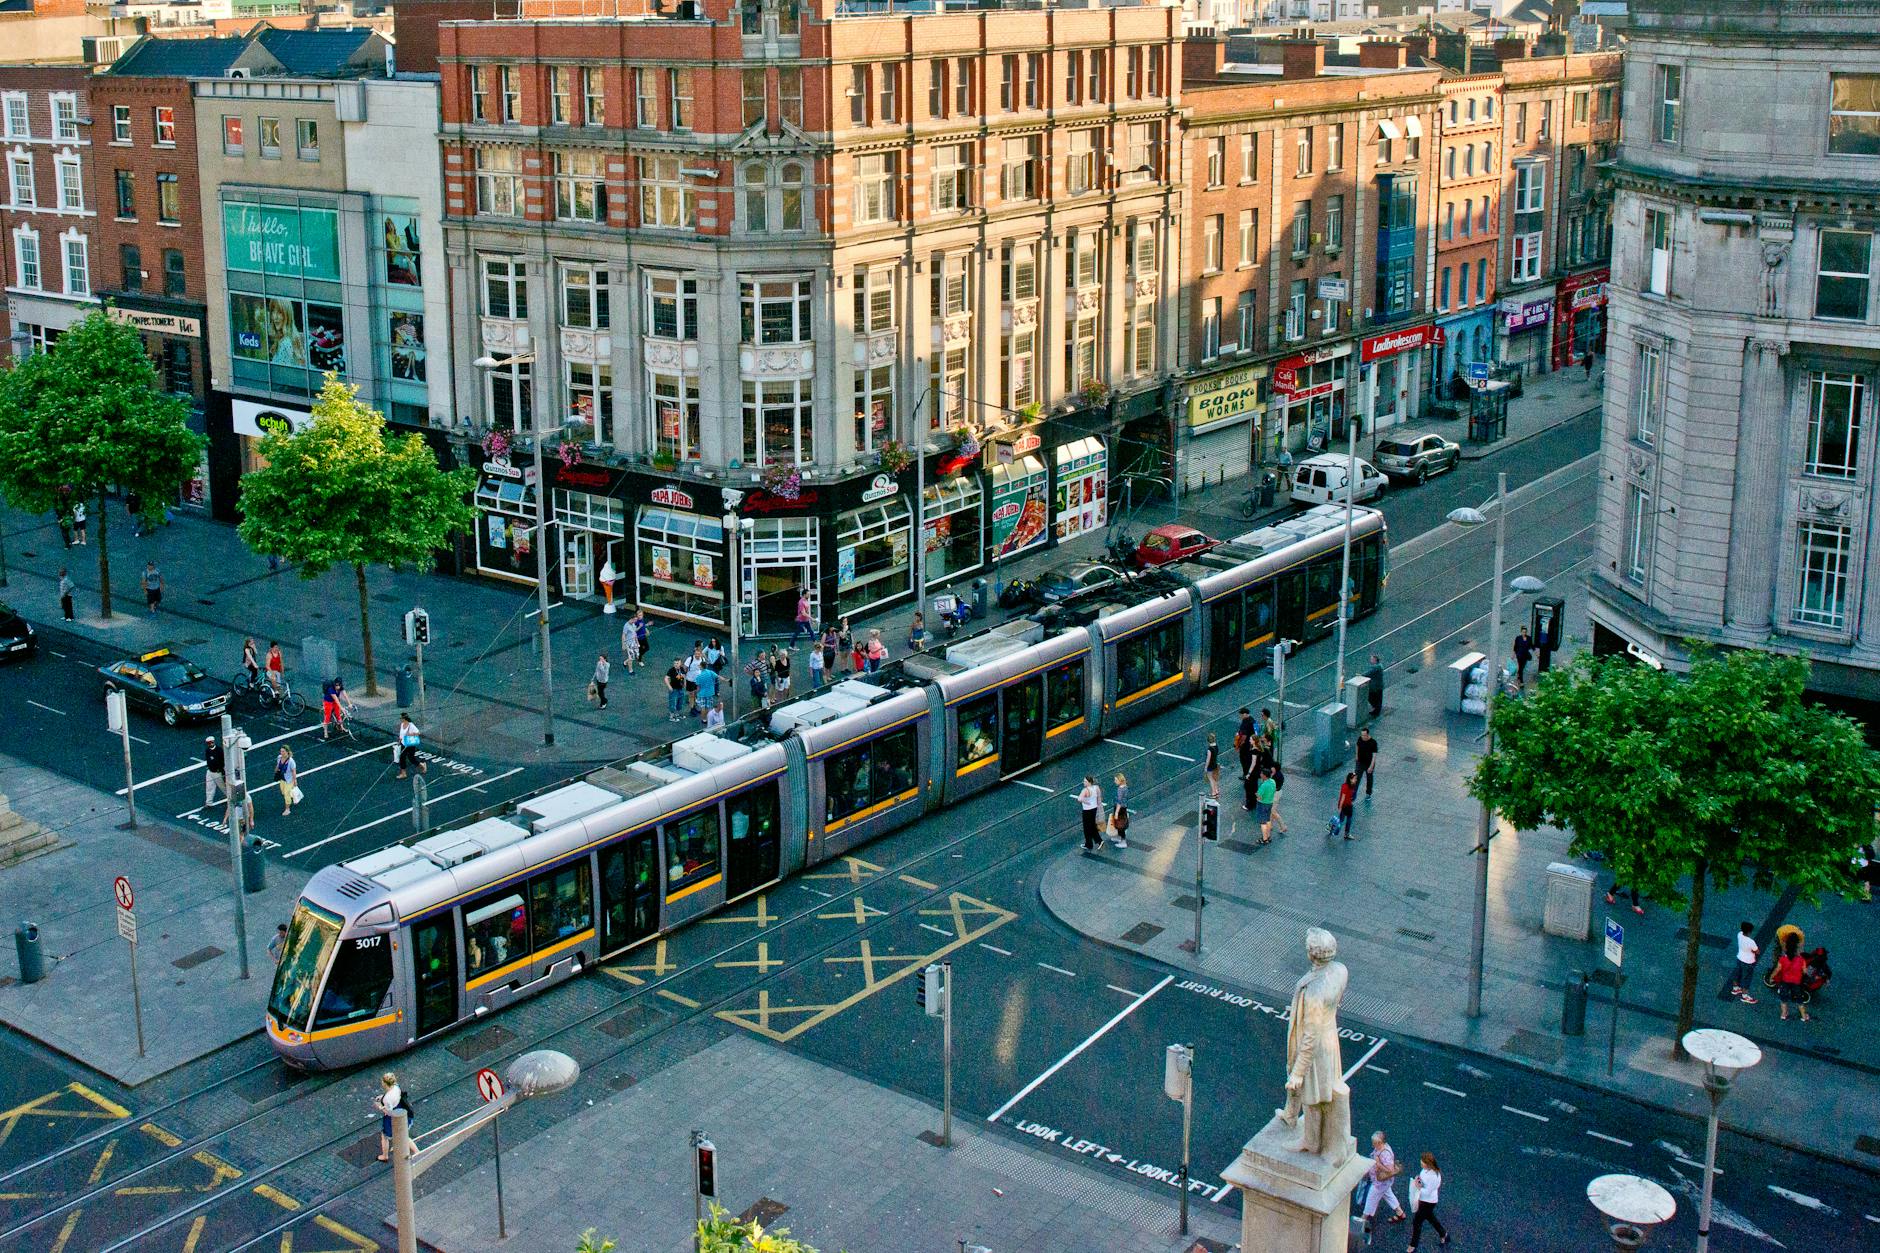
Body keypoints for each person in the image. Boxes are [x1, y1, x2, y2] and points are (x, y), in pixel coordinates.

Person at [1361, 1130, 1407, 1235]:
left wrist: (1377, 1163)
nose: (1372, 1144)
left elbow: (1390, 1170)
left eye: (1374, 1143)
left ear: (1380, 1143)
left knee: (1371, 1199)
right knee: (1388, 1195)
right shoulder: (1382, 1148)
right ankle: (1400, 1213)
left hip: (1380, 1183)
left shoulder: (1385, 1154)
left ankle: (1363, 1219)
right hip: (1383, 1182)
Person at [1407, 1152, 1447, 1249]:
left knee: (1417, 1222)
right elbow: (1423, 1180)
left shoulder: (1434, 1176)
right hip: (1424, 1200)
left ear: (1428, 1164)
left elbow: (1428, 1192)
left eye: (1422, 1162)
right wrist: (1419, 1180)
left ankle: (1413, 1245)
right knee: (1431, 1218)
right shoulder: (1425, 1170)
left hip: (1428, 1202)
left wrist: (1418, 1186)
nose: (1421, 1163)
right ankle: (1444, 1234)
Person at [1774, 930, 1810, 1023]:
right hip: (1796, 983)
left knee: (1783, 999)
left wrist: (1771, 977)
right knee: (1799, 1000)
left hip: (1785, 981)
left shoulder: (1783, 959)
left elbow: (1777, 969)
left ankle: (1783, 1014)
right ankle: (1803, 1016)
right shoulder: (1801, 960)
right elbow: (1805, 971)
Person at [374, 1072, 403, 1162]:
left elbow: (388, 1111)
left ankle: (384, 1156)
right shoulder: (396, 1087)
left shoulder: (387, 1099)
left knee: (385, 1136)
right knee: (401, 1133)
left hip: (391, 1117)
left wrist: (379, 1105)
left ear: (384, 1083)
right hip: (399, 1108)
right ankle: (415, 1151)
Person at [1729, 921, 1760, 1004]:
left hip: (1739, 958)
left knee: (1737, 973)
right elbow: (1757, 952)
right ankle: (1745, 996)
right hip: (1748, 961)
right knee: (1746, 978)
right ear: (1750, 931)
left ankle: (1735, 988)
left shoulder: (1739, 934)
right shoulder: (1751, 942)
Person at [1077, 776, 1103, 852]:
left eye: (1085, 781)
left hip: (1087, 810)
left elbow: (1079, 799)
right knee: (1092, 826)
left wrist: (1085, 802)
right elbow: (1099, 798)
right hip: (1094, 809)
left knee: (1087, 828)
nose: (1083, 782)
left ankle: (1089, 844)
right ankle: (1098, 841)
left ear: (1089, 782)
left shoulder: (1085, 790)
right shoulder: (1096, 787)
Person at [395, 713, 425, 779]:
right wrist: (399, 741)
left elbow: (418, 733)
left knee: (411, 758)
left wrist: (410, 734)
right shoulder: (402, 724)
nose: (400, 720)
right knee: (402, 758)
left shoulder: (411, 725)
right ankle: (403, 773)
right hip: (404, 743)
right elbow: (401, 734)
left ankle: (422, 765)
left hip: (410, 744)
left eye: (401, 718)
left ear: (404, 718)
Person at [1255, 767, 1278, 846]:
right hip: (1270, 803)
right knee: (1268, 820)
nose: (1260, 774)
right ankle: (1268, 836)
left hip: (1262, 804)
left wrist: (1257, 795)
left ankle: (1264, 839)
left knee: (1263, 822)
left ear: (1264, 776)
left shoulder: (1264, 785)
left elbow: (1259, 796)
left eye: (1261, 774)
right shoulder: (1273, 781)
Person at [1107, 772, 1130, 849]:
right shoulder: (1125, 787)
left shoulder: (1120, 789)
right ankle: (1119, 837)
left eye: (1116, 780)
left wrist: (1116, 812)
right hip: (1124, 808)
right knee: (1121, 824)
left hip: (1119, 809)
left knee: (1120, 825)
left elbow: (1119, 802)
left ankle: (1123, 841)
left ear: (1120, 780)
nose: (1115, 781)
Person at [274, 744, 298, 816]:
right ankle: (293, 796)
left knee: (286, 794)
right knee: (283, 792)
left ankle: (287, 809)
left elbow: (293, 771)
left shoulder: (291, 761)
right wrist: (276, 770)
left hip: (289, 780)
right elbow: (278, 765)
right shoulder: (279, 757)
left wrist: (295, 780)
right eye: (281, 751)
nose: (281, 753)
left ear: (287, 752)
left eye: (283, 751)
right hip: (282, 778)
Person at [1355, 727, 1379, 798]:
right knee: (1356, 778)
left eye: (1364, 735)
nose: (1363, 737)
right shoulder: (1360, 739)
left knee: (1369, 778)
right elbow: (1357, 745)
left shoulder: (1373, 742)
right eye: (1362, 735)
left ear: (1368, 734)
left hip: (1369, 764)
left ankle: (1368, 793)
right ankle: (1353, 793)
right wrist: (1356, 755)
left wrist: (1371, 766)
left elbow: (1374, 756)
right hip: (1360, 762)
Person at [204, 734, 227, 809]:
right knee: (209, 787)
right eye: (209, 743)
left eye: (211, 742)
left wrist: (220, 770)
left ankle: (231, 799)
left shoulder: (219, 750)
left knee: (223, 787)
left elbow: (222, 761)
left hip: (217, 772)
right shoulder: (207, 750)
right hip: (210, 771)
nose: (210, 744)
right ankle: (209, 803)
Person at [1335, 771, 1358, 840]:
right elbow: (1343, 798)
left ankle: (1344, 833)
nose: (1356, 780)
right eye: (1355, 778)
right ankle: (1342, 832)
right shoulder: (1346, 787)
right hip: (1345, 806)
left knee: (1346, 820)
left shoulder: (1352, 786)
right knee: (1343, 820)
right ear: (1350, 779)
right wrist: (1340, 807)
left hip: (1349, 806)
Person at [1235, 707, 1256, 777]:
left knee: (1243, 759)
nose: (1240, 717)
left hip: (1246, 744)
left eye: (1241, 715)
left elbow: (1244, 736)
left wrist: (1239, 744)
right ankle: (1251, 772)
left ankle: (1246, 774)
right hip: (1252, 742)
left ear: (1244, 714)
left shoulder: (1245, 722)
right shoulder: (1252, 719)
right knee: (1250, 759)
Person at [1364, 653, 1384, 718]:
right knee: (1378, 698)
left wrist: (1360, 676)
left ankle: (1376, 710)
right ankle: (1376, 710)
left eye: (1372, 659)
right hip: (1379, 685)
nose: (1371, 660)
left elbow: (1368, 674)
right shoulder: (1379, 666)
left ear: (1375, 660)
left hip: (1375, 687)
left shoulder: (1375, 667)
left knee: (1371, 697)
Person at [1203, 732, 1221, 799]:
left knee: (1211, 779)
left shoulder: (1209, 749)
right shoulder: (1216, 746)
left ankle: (1213, 793)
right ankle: (1216, 791)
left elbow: (1208, 759)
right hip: (1215, 764)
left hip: (1210, 766)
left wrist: (1205, 767)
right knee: (1214, 778)